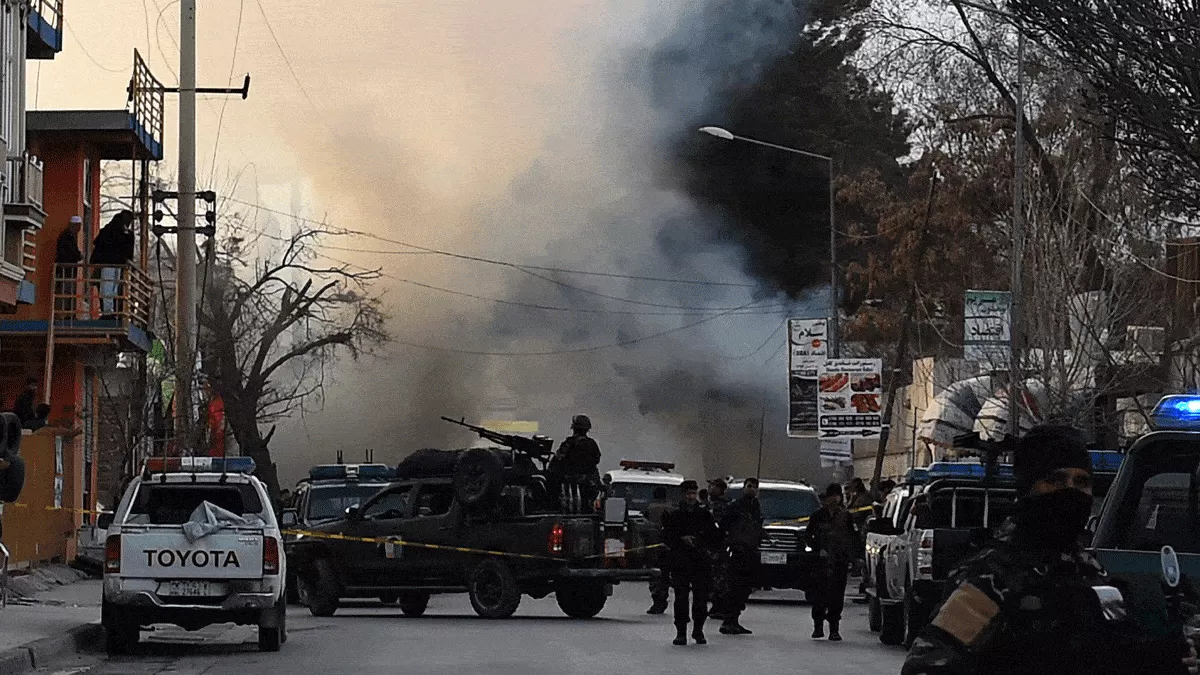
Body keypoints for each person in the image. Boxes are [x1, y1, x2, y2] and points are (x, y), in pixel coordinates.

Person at [903, 425, 1199, 675]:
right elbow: (927, 666)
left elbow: (1109, 652)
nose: (1070, 491)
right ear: (1028, 488)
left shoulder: (1090, 570)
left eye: (1081, 482)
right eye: (1055, 480)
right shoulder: (992, 576)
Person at [661, 479, 719, 646]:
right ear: (682, 495)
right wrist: (681, 539)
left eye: (693, 493)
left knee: (700, 599)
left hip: (700, 562)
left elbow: (713, 536)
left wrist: (700, 541)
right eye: (688, 493)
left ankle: (698, 630)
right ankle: (681, 632)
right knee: (681, 599)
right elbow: (666, 537)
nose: (691, 497)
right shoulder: (674, 515)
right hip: (680, 562)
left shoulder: (704, 515)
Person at [805, 483, 859, 640]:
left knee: (836, 597)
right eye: (832, 496)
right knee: (818, 596)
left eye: (837, 496)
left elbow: (853, 538)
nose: (834, 499)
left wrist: (855, 558)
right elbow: (808, 536)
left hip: (839, 561)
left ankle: (834, 629)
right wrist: (817, 548)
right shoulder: (818, 516)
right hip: (820, 563)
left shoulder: (846, 516)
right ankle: (818, 626)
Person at [719, 476, 762, 635]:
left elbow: (756, 526)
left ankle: (734, 620)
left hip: (750, 551)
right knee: (734, 586)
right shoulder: (736, 506)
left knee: (744, 587)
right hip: (737, 550)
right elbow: (724, 525)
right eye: (749, 486)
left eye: (754, 487)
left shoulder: (755, 506)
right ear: (744, 488)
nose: (751, 489)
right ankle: (728, 620)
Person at [90, 210, 136, 317]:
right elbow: (128, 251)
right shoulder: (118, 231)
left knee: (110, 288)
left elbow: (97, 243)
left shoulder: (109, 229)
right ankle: (110, 312)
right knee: (110, 288)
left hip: (110, 263)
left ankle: (109, 311)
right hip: (112, 264)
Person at [552, 414, 602, 512]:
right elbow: (597, 459)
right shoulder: (592, 444)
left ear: (574, 428)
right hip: (587, 491)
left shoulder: (569, 443)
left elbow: (557, 460)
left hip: (570, 486)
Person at [706, 478, 732, 620]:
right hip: (708, 546)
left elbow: (721, 526)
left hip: (720, 546)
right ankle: (715, 604)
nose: (710, 488)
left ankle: (721, 605)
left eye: (713, 486)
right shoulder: (708, 504)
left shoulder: (723, 506)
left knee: (719, 578)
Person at [646, 485, 674, 615]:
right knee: (665, 574)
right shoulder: (673, 508)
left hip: (653, 545)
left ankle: (657, 601)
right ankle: (662, 598)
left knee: (655, 575)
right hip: (669, 545)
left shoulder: (649, 509)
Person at [55, 217, 83, 317]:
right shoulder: (67, 236)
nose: (79, 229)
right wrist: (79, 255)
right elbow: (70, 252)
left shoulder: (68, 236)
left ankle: (67, 314)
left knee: (68, 293)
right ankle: (63, 315)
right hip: (65, 270)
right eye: (78, 226)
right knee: (64, 293)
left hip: (67, 271)